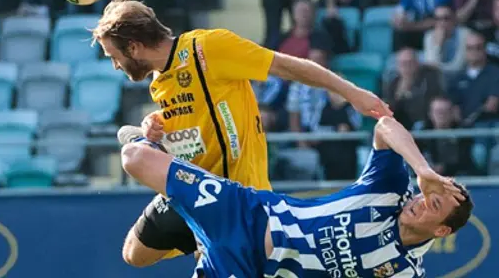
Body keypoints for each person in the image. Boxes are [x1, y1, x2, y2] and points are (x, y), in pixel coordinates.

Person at [92, 0, 393, 267]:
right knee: (134, 254)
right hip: (192, 188)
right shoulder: (159, 80)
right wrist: (157, 124)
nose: (116, 65)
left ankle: (204, 234)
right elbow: (196, 121)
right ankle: (147, 151)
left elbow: (287, 67)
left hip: (239, 198)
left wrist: (353, 93)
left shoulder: (207, 48)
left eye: (113, 56)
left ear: (133, 47)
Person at [117, 115, 471, 278]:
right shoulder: (390, 190)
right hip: (247, 211)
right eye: (428, 193)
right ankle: (161, 155)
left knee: (134, 258)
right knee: (133, 158)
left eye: (434, 204)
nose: (420, 199)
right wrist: (424, 171)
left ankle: (188, 215)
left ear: (441, 231)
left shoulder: (403, 272)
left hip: (247, 269)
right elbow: (384, 125)